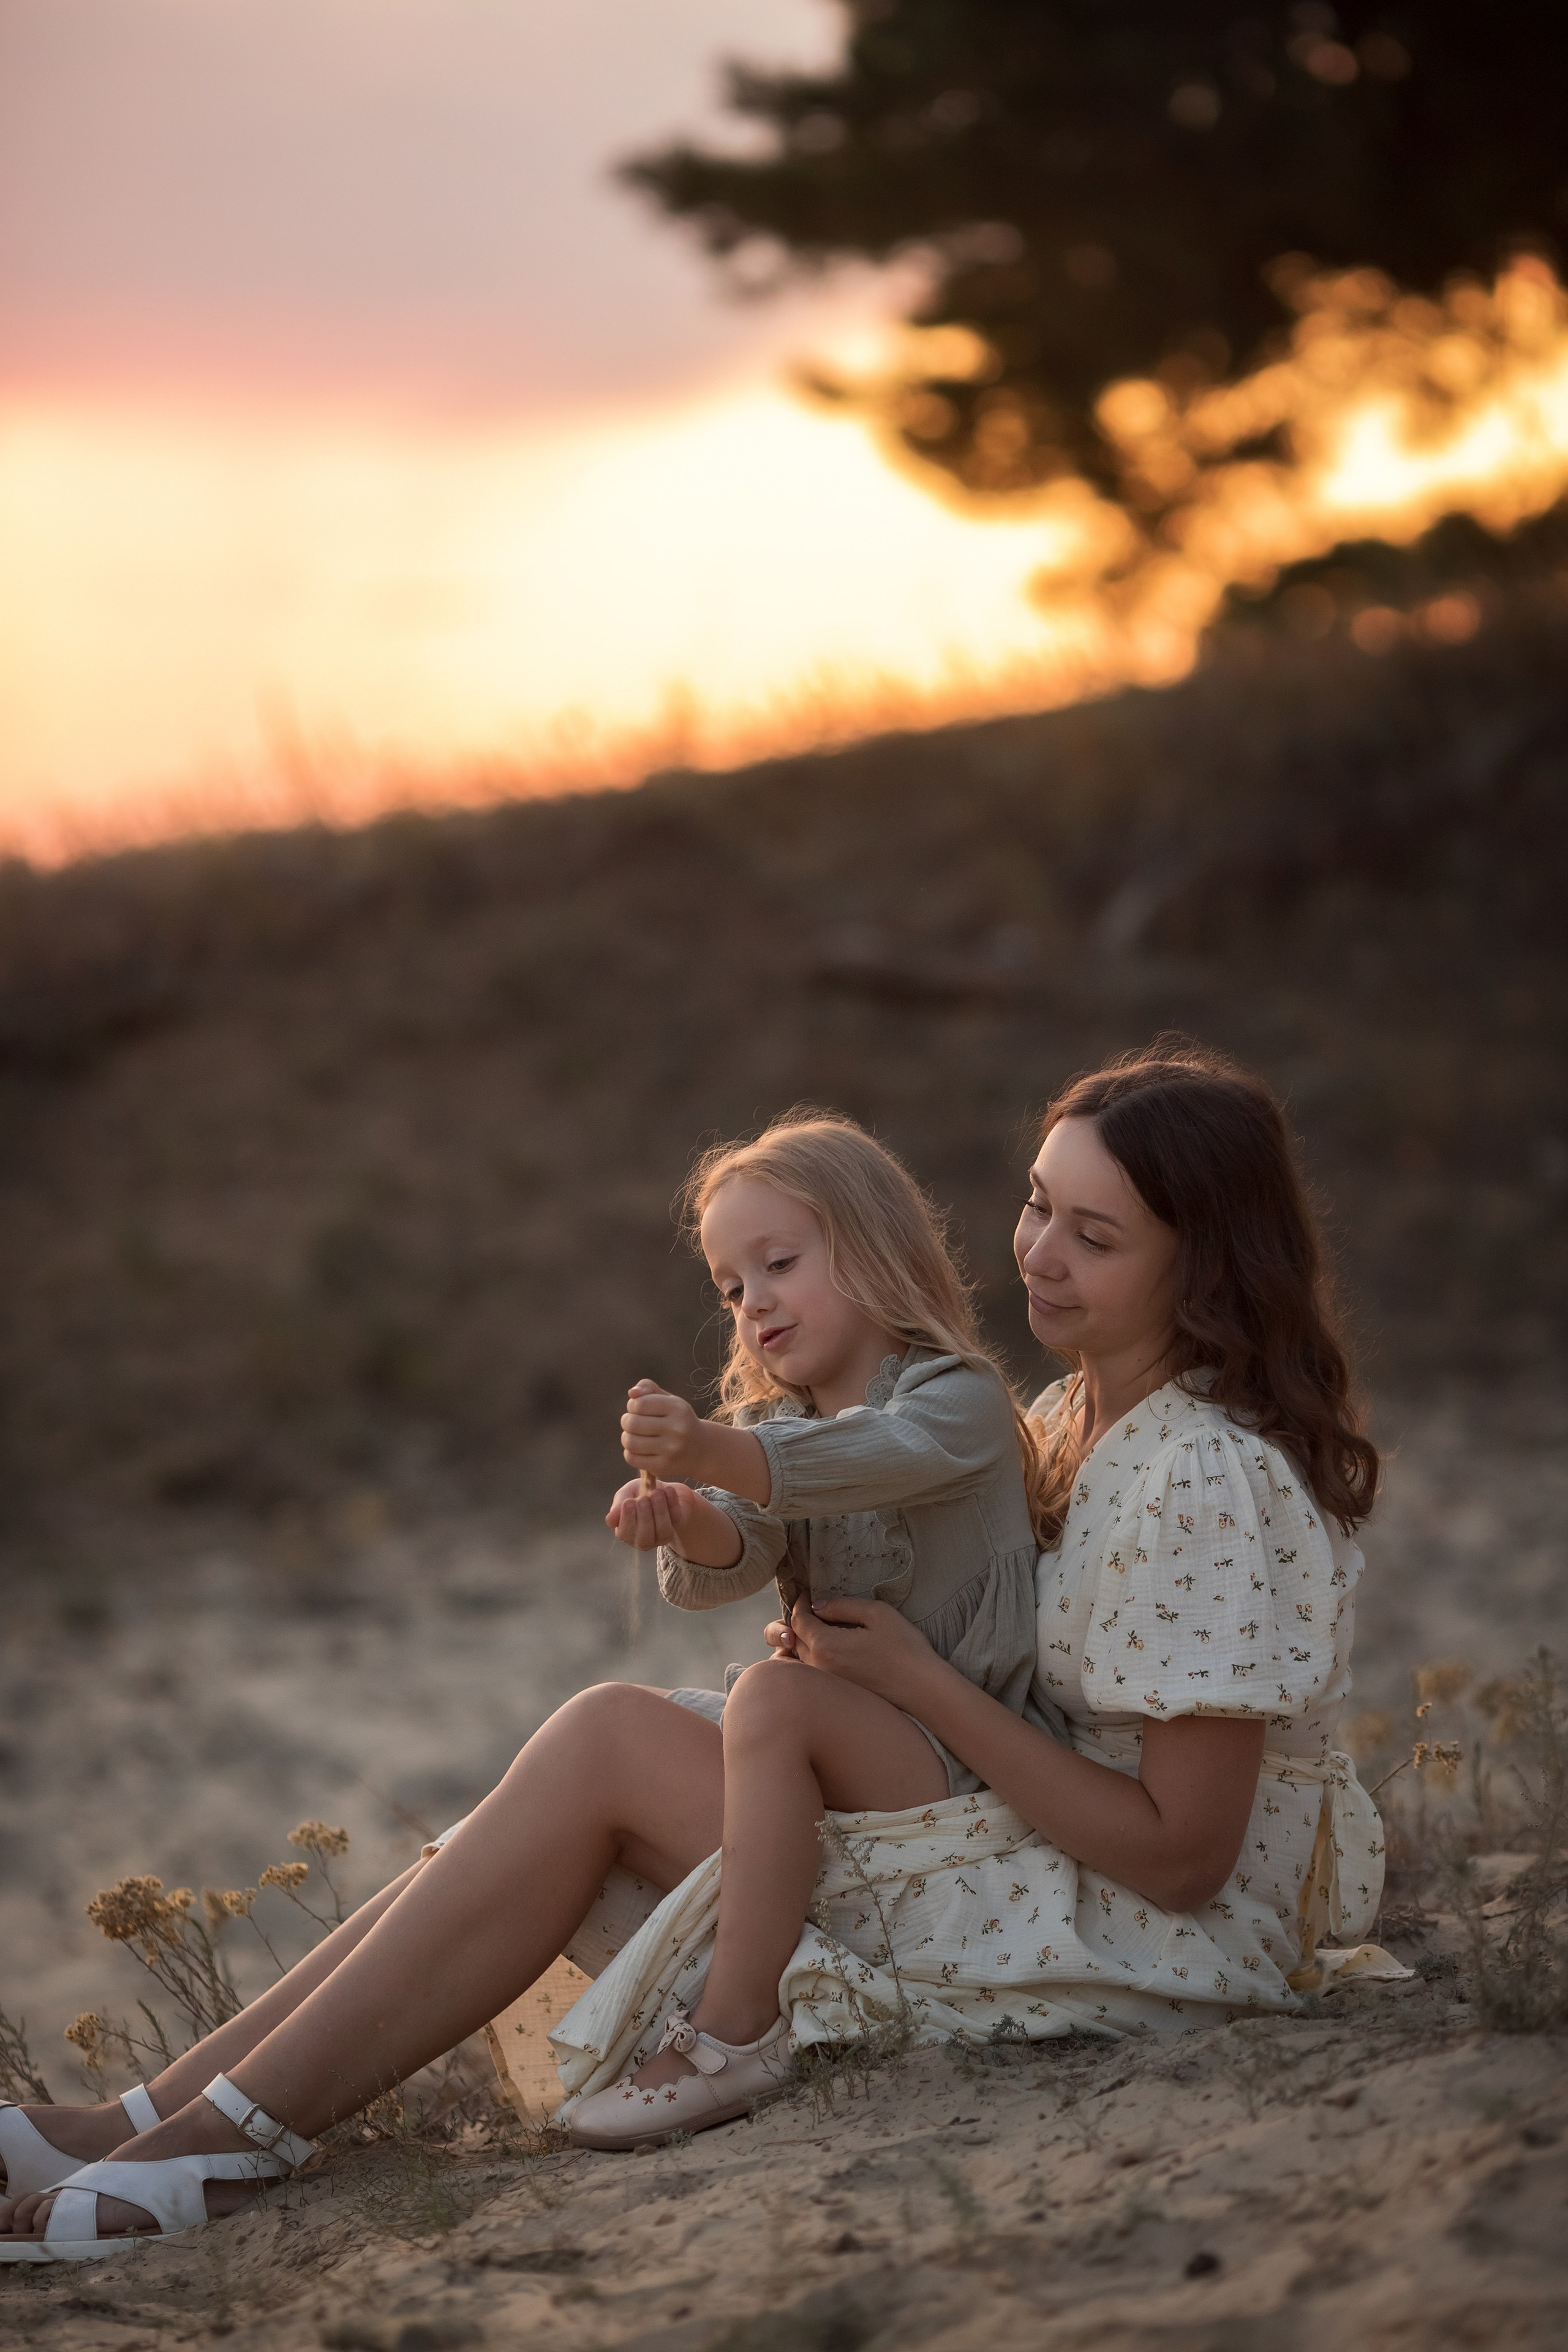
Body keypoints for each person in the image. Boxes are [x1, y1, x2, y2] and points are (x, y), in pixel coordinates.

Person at [0, 1042, 1385, 2260]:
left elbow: (1182, 1859)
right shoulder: (1074, 1417)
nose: (1034, 1254)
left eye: (1093, 1235)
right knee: (551, 1788)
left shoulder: (1197, 1471)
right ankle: (166, 2116)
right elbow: (812, 1532)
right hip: (997, 1828)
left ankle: (221, 2140)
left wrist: (902, 1683)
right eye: (1034, 1203)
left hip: (1130, 1931)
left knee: (606, 1744)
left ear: (1194, 1261)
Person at [580, 1112, 1055, 2146]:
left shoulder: (957, 1400)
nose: (753, 1303)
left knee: (775, 1697)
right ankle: (705, 1984)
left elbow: (870, 1460)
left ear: (875, 1245)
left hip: (971, 1767)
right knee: (714, 1708)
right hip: (868, 1758)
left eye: (779, 1263)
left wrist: (707, 1448)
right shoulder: (770, 1431)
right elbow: (732, 1561)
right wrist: (690, 1516)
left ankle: (734, 2030)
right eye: (730, 1287)